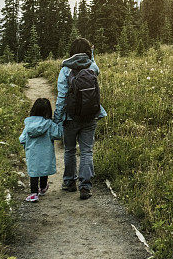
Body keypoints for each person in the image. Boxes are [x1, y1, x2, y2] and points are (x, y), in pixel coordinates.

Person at [53, 37, 107, 200]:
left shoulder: (65, 69)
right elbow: (93, 64)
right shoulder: (93, 66)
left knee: (69, 150)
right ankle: (85, 186)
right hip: (91, 115)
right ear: (87, 52)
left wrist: (57, 118)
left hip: (70, 117)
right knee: (86, 151)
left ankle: (70, 182)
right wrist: (92, 53)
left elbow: (62, 96)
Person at [19, 97, 63, 203]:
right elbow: (58, 134)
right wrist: (59, 123)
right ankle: (43, 188)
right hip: (46, 152)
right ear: (48, 111)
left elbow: (22, 139)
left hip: (32, 153)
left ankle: (34, 193)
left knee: (34, 172)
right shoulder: (49, 124)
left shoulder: (28, 124)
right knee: (44, 169)